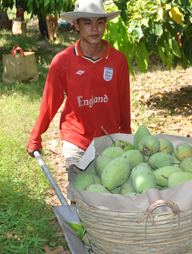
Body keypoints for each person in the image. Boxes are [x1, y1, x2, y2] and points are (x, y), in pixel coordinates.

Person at [26, 0, 131, 172]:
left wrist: (126, 137)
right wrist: (35, 136)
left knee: (109, 194)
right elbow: (50, 103)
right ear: (76, 24)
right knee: (79, 193)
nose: (94, 28)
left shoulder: (118, 60)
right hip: (77, 141)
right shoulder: (62, 61)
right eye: (87, 23)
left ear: (106, 24)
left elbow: (123, 102)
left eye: (99, 22)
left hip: (110, 141)